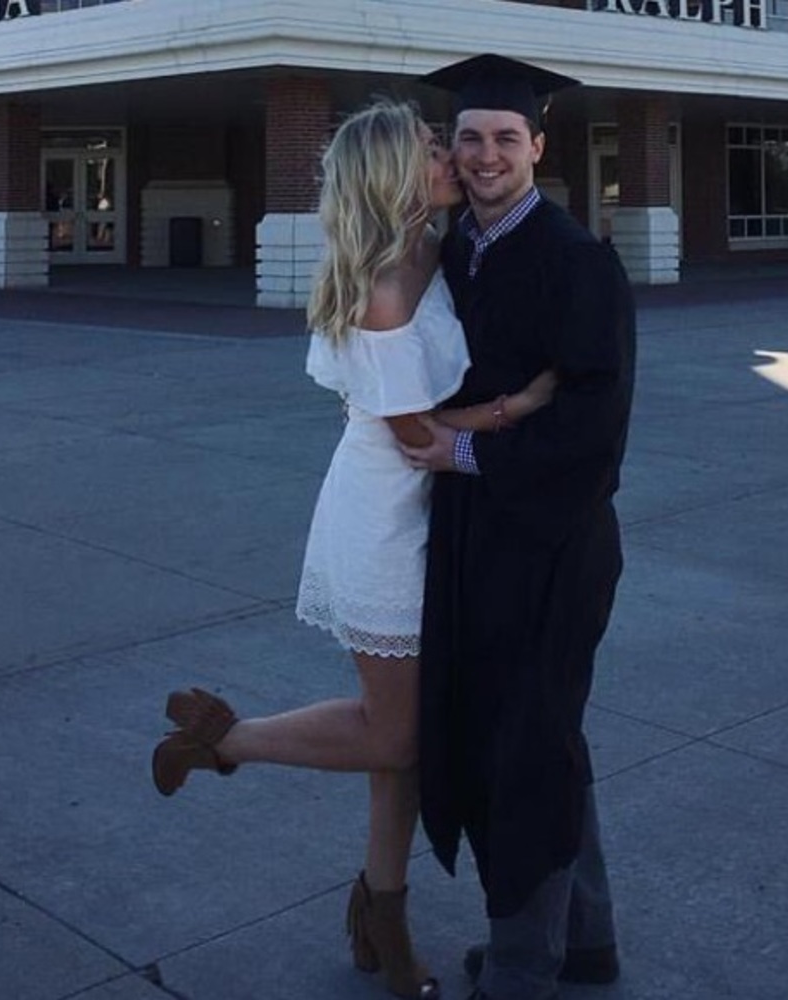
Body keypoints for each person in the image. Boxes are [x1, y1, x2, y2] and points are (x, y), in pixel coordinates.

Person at [149, 100, 556, 1000]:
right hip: (386, 521)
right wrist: (519, 409)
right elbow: (417, 435)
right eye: (430, 149)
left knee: (402, 748)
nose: (451, 155)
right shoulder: (384, 287)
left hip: (425, 515)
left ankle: (383, 915)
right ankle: (227, 743)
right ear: (391, 174)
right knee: (398, 732)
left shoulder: (427, 247)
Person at [402, 55, 637, 1000]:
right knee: (534, 736)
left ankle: (519, 969)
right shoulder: (450, 250)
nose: (488, 153)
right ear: (453, 153)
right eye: (472, 138)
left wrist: (466, 450)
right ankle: (586, 941)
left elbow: (594, 428)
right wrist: (497, 415)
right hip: (470, 537)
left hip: (551, 541)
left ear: (538, 146)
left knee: (526, 748)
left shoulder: (578, 262)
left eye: (507, 137)